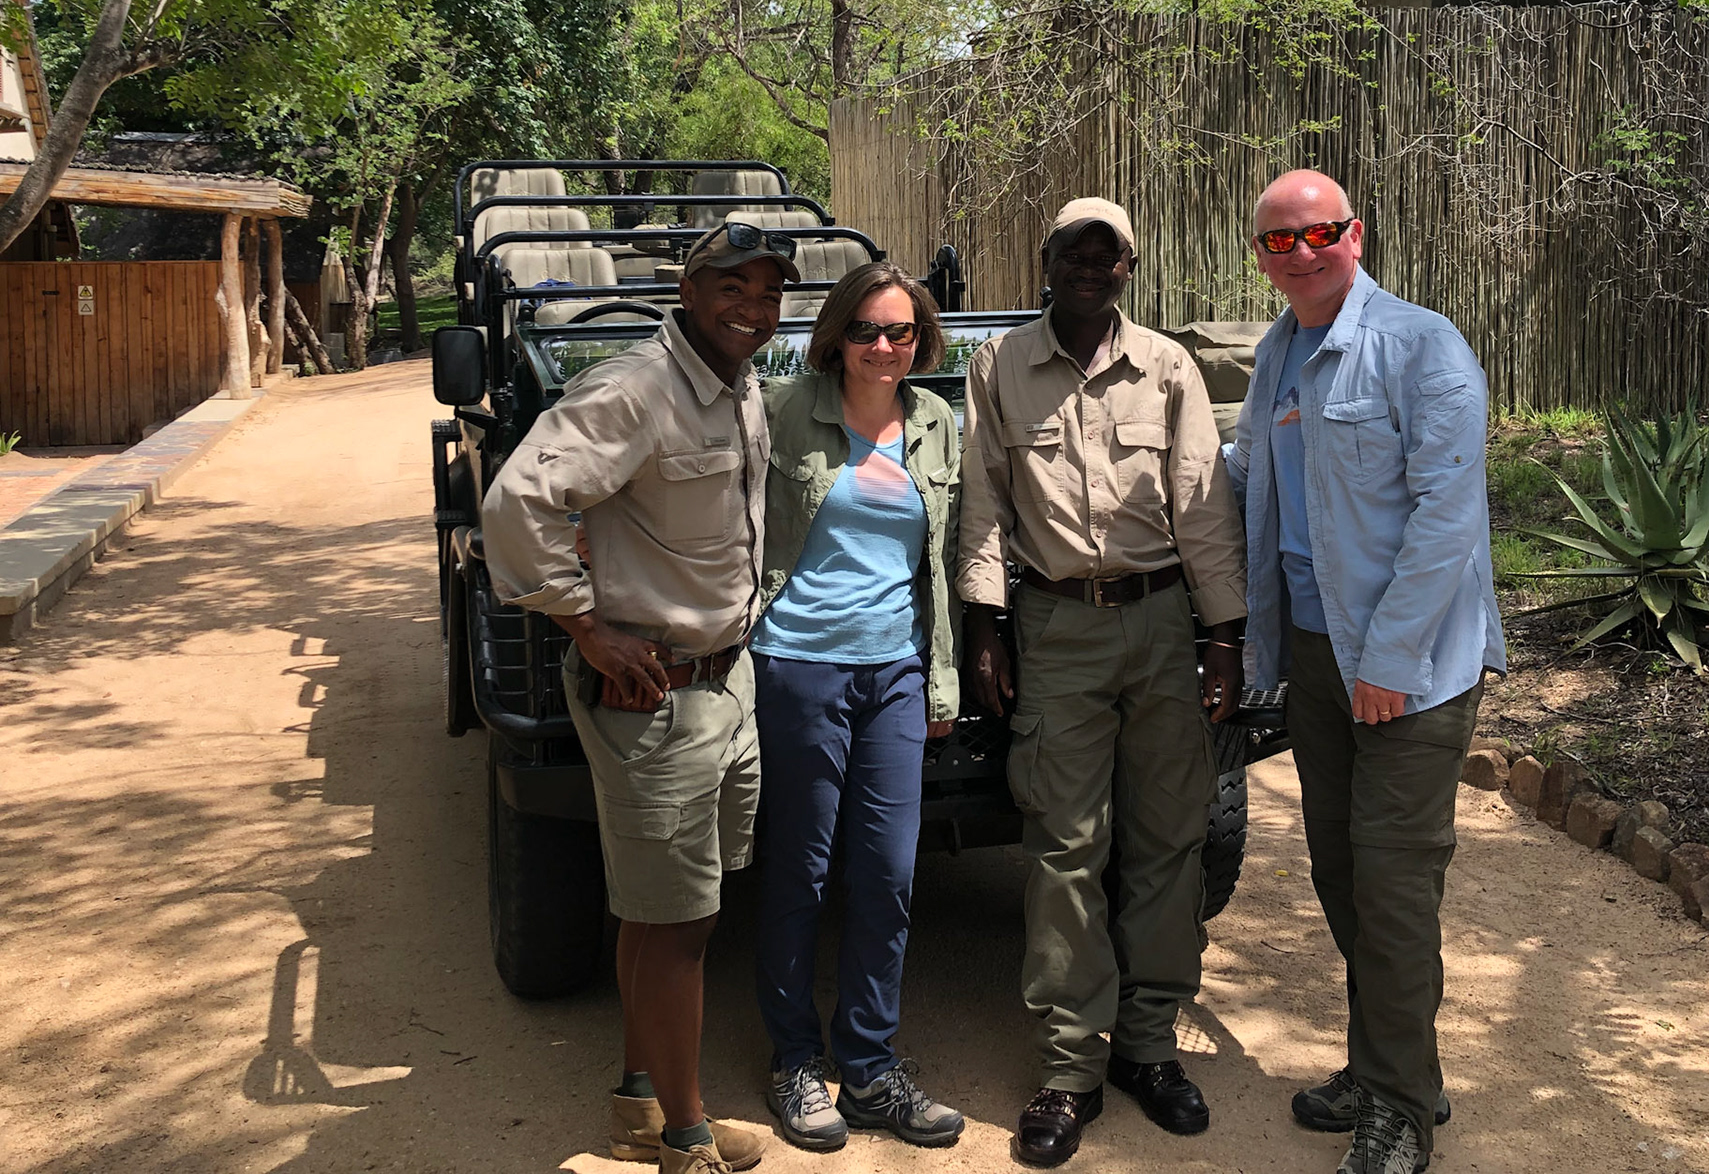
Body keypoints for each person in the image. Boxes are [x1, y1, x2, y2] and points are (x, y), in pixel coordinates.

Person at [482, 222, 801, 1174]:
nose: (753, 307)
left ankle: (640, 1102)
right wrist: (584, 625)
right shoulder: (637, 390)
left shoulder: (737, 383)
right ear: (689, 289)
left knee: (666, 916)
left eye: (769, 290)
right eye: (731, 288)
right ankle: (687, 1137)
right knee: (679, 928)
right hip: (654, 696)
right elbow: (515, 502)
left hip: (720, 681)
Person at [1226, 170, 1506, 1174]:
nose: (1300, 253)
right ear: (1259, 256)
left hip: (1408, 665)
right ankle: (1389, 1063)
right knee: (1343, 874)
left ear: (1356, 232)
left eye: (1319, 233)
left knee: (1391, 886)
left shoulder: (1423, 348)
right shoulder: (1278, 354)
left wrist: (1387, 660)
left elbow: (1447, 520)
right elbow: (1250, 474)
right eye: (1277, 241)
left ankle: (1399, 1107)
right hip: (1313, 650)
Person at [959, 198, 1248, 1168]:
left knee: (1168, 840)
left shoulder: (1168, 367)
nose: (1089, 267)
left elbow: (1202, 506)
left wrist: (1224, 638)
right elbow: (987, 505)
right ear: (1046, 263)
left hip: (1164, 625)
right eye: (1072, 253)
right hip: (1055, 629)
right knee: (1063, 846)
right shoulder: (999, 365)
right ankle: (1068, 1068)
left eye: (1107, 255)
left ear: (1128, 268)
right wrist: (988, 623)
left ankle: (1149, 1046)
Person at [750, 262, 968, 1152]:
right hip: (798, 666)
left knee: (888, 874)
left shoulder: (935, 421)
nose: (887, 347)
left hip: (897, 674)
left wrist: (942, 677)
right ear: (837, 334)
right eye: (870, 331)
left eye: (904, 332)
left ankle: (871, 1068)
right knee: (799, 872)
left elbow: (946, 561)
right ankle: (796, 1061)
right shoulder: (779, 409)